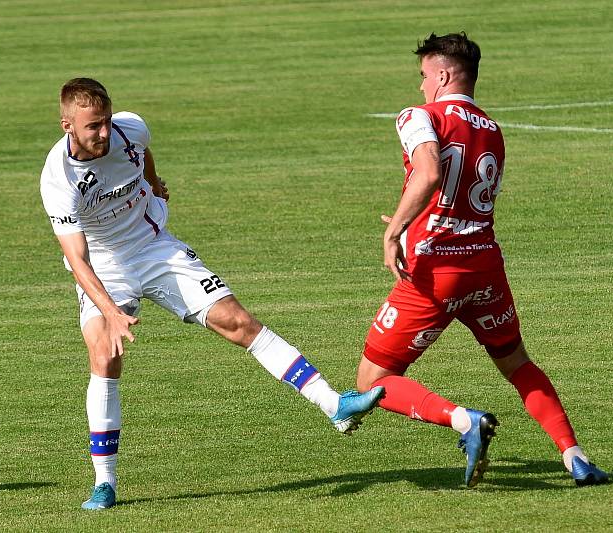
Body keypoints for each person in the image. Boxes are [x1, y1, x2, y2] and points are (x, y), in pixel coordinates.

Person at [40, 77, 385, 510]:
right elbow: (78, 260)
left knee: (238, 322)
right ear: (67, 125)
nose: (104, 133)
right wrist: (110, 311)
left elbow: (141, 153)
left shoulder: (131, 127)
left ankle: (333, 403)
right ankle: (104, 483)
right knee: (104, 356)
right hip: (103, 268)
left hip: (153, 248)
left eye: (106, 121)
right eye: (93, 127)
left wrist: (153, 182)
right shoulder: (57, 178)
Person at [355, 32, 609, 488]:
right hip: (485, 268)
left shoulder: (419, 115)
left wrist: (395, 230)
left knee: (373, 379)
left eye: (424, 76)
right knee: (517, 363)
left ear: (444, 74)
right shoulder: (490, 127)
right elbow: (459, 198)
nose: (420, 87)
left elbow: (431, 171)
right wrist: (413, 215)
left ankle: (461, 420)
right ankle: (575, 457)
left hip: (436, 273)